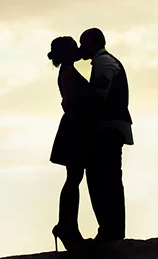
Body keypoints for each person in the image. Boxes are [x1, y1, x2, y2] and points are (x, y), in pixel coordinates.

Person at [79, 27, 133, 245]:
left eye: (84, 43)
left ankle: (111, 231)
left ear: (93, 43)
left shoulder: (104, 63)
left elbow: (99, 96)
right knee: (107, 179)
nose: (81, 48)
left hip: (108, 129)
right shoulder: (105, 62)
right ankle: (111, 230)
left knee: (104, 179)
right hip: (110, 128)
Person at [48, 36, 91, 251]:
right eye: (74, 47)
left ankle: (67, 226)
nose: (78, 50)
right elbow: (74, 102)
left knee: (74, 177)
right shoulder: (68, 72)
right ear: (67, 52)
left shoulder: (67, 71)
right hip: (75, 127)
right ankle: (67, 226)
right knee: (74, 178)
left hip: (73, 126)